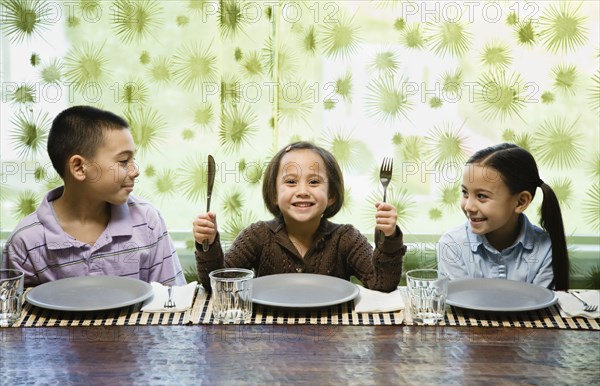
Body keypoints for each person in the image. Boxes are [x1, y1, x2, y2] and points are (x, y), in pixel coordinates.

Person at [2, 105, 186, 287]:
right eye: (123, 161)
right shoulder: (25, 242)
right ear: (79, 168)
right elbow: (16, 313)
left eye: (132, 160)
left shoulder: (147, 222)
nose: (135, 171)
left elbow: (171, 300)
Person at [193, 141, 407, 292]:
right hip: (269, 337)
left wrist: (390, 238)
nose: (302, 190)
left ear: (331, 194)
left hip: (331, 340)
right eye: (291, 182)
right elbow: (218, 285)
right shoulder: (257, 236)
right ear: (275, 194)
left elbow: (383, 285)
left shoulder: (346, 238)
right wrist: (208, 244)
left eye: (314, 182)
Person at [437, 143, 569, 290]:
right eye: (465, 193)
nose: (468, 206)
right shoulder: (452, 245)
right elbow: (462, 301)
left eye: (481, 196)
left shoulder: (545, 249)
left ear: (521, 201)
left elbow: (538, 305)